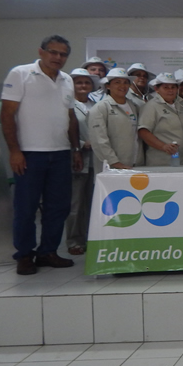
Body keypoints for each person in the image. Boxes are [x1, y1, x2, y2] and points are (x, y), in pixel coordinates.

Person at [1, 36, 82, 275]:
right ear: (41, 51)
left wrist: (75, 149)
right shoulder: (21, 74)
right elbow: (7, 114)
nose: (58, 57)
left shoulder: (67, 80)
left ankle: (48, 251)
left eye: (63, 54)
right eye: (53, 52)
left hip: (60, 153)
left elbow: (71, 118)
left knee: (58, 207)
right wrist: (14, 151)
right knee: (26, 208)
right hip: (29, 153)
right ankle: (25, 255)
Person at [65, 68, 99, 256]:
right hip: (78, 158)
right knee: (76, 204)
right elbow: (62, 129)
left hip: (96, 160)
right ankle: (74, 241)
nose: (83, 86)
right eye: (79, 82)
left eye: (87, 82)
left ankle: (91, 238)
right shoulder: (66, 105)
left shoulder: (97, 104)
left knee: (93, 203)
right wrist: (80, 144)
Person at [90, 68, 142, 170]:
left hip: (135, 164)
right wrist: (114, 162)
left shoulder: (134, 106)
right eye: (117, 82)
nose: (122, 86)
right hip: (112, 167)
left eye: (125, 82)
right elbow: (99, 140)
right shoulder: (100, 108)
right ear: (108, 86)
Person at [137, 72, 183, 166]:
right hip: (162, 161)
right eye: (166, 87)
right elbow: (143, 132)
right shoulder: (151, 106)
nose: (170, 90)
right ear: (157, 89)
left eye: (173, 87)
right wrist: (163, 146)